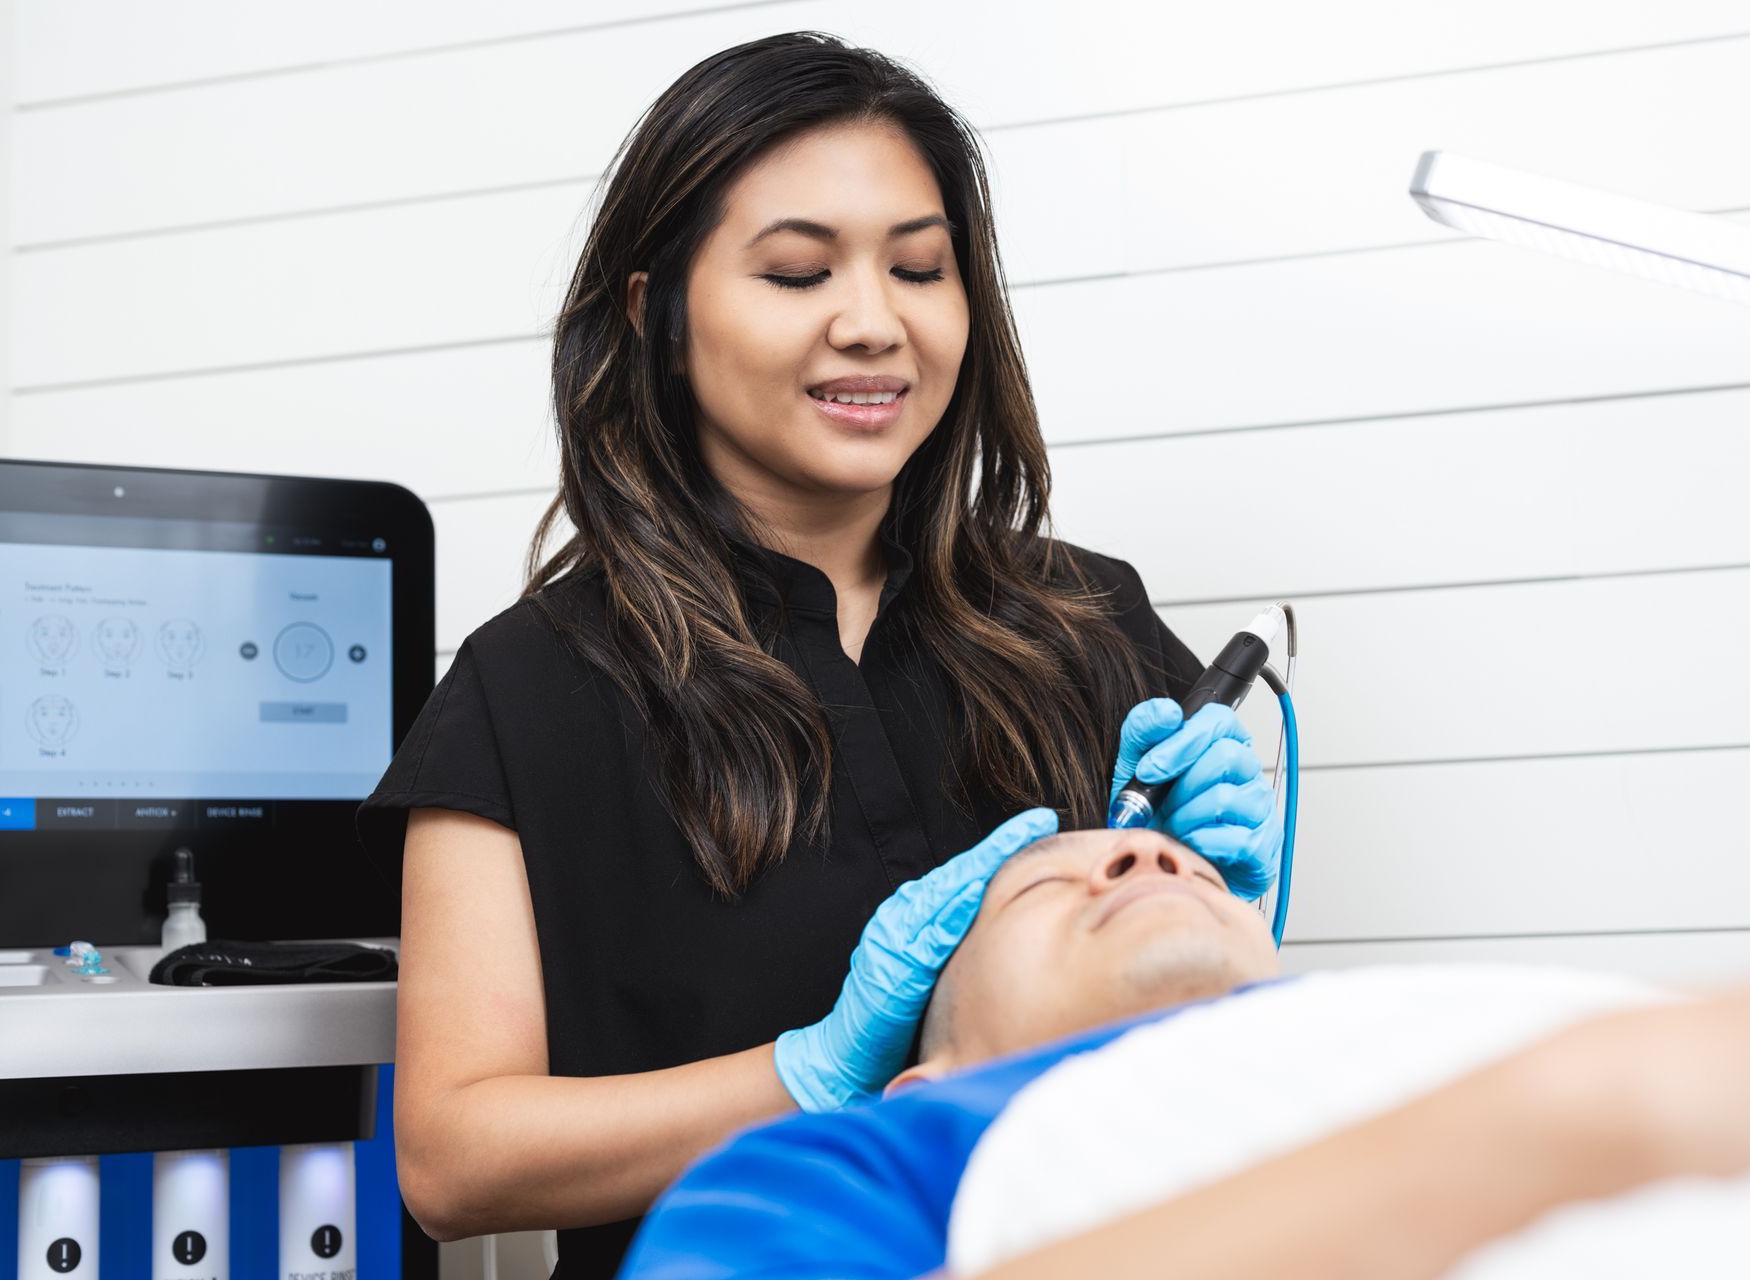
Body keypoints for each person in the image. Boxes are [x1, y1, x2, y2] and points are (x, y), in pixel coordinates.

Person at [353, 31, 1284, 1277]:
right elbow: (453, 1160)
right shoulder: (530, 689)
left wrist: (1209, 908)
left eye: (920, 267)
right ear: (657, 313)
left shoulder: (1089, 621)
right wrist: (813, 1067)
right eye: (796, 272)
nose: (873, 323)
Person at [621, 826, 1750, 1279]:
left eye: (1187, 866)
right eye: (1044, 886)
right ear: (927, 1071)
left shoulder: (1443, 1023)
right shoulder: (844, 1164)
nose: (1146, 853)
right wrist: (1573, 1118)